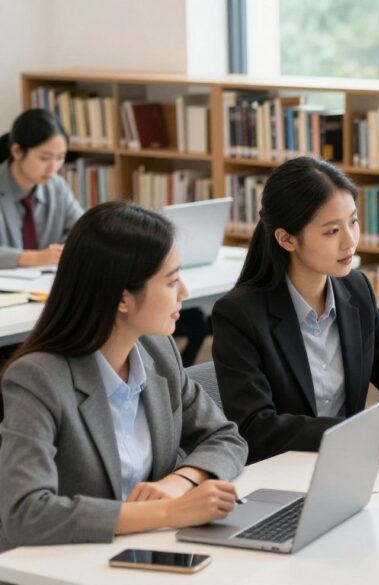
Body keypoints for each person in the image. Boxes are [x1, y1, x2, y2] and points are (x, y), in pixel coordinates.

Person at [0, 202, 247, 551]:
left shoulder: (158, 351)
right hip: (68, 564)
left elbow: (225, 437)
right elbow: (25, 514)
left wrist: (180, 481)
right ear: (122, 299)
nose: (185, 293)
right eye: (172, 280)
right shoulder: (38, 378)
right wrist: (170, 511)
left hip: (147, 551)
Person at [212, 157, 379, 464]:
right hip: (285, 471)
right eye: (331, 232)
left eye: (352, 222)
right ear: (287, 239)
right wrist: (360, 430)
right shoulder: (239, 315)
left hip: (349, 465)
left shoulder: (355, 289)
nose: (350, 241)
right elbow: (256, 429)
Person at [0, 108, 83, 268]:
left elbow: (83, 230)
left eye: (60, 158)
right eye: (44, 158)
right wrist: (36, 258)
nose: (53, 167)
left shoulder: (57, 186)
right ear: (17, 151)